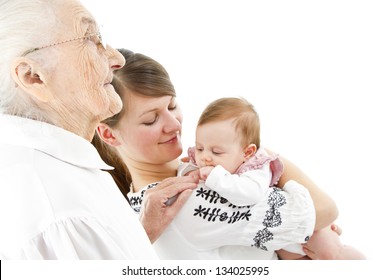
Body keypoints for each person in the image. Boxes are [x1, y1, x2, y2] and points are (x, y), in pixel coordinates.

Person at [94, 48, 339, 259]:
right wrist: (262, 156)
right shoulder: (186, 200)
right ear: (109, 135)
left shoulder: (145, 198)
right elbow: (325, 210)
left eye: (172, 106)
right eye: (151, 120)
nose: (175, 125)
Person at [0, 0, 198, 259]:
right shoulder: (63, 215)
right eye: (89, 39)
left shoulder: (60, 176)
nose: (117, 58)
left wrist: (140, 235)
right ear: (33, 77)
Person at [178, 97, 365, 260]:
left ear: (247, 152)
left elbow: (249, 195)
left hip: (311, 230)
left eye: (216, 151)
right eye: (200, 147)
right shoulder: (215, 161)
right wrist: (191, 170)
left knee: (333, 255)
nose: (205, 157)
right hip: (280, 241)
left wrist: (216, 177)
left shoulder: (257, 167)